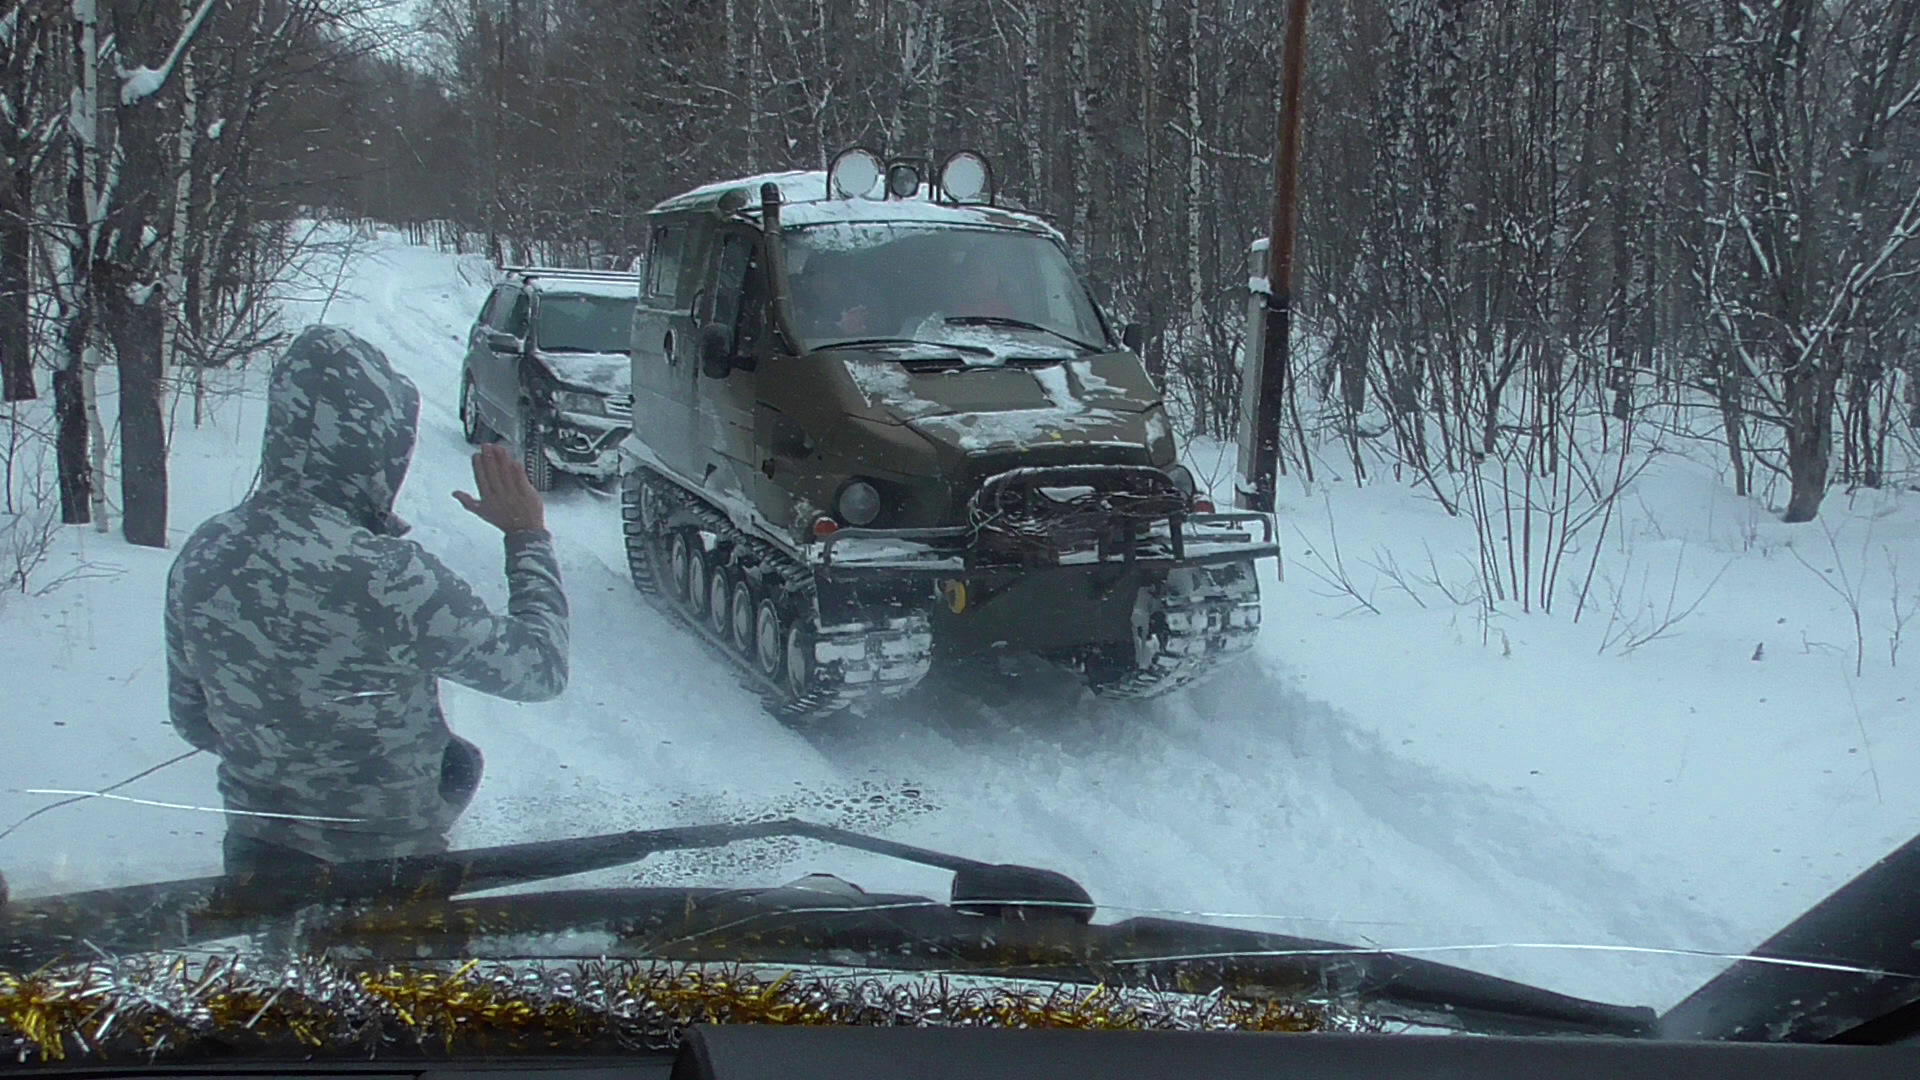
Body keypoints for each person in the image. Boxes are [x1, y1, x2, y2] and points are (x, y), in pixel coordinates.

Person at [165, 325, 569, 876]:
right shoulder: (388, 575)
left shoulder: (207, 550)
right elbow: (539, 669)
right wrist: (526, 537)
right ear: (381, 444)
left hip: (258, 871)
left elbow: (194, 718)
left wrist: (286, 753)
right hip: (391, 879)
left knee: (280, 968)